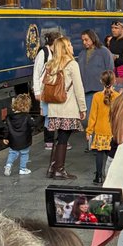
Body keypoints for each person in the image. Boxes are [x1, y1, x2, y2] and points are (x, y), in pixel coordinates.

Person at [43, 36, 86, 180]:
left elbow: (45, 86)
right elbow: (79, 88)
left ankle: (52, 168)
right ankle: (59, 170)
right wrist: (82, 108)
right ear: (66, 48)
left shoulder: (50, 64)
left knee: (59, 137)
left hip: (54, 107)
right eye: (70, 45)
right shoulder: (72, 64)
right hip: (67, 107)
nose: (72, 47)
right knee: (63, 138)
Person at [77, 32, 114, 148]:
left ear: (93, 38)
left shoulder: (104, 52)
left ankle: (104, 142)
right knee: (91, 118)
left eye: (86, 39)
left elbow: (110, 69)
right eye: (83, 40)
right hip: (87, 90)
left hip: (101, 90)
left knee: (103, 117)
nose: (84, 42)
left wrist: (109, 85)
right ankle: (92, 143)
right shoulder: (82, 54)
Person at [33, 29, 63, 151]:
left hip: (57, 88)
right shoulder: (43, 53)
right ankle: (49, 140)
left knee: (58, 113)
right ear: (55, 42)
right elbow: (36, 73)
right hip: (45, 89)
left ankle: (59, 139)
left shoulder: (58, 52)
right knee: (48, 115)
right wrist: (37, 92)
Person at [85, 70, 115, 184]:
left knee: (99, 153)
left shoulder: (97, 96)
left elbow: (93, 115)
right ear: (114, 81)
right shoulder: (117, 96)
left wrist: (89, 131)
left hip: (100, 131)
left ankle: (98, 176)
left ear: (101, 81)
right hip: (112, 131)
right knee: (111, 155)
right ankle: (111, 176)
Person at [3, 92, 35, 176]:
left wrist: (5, 137)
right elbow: (32, 124)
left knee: (12, 152)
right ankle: (22, 169)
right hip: (24, 140)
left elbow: (6, 129)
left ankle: (8, 165)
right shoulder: (27, 116)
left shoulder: (9, 117)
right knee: (24, 154)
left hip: (13, 140)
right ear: (27, 106)